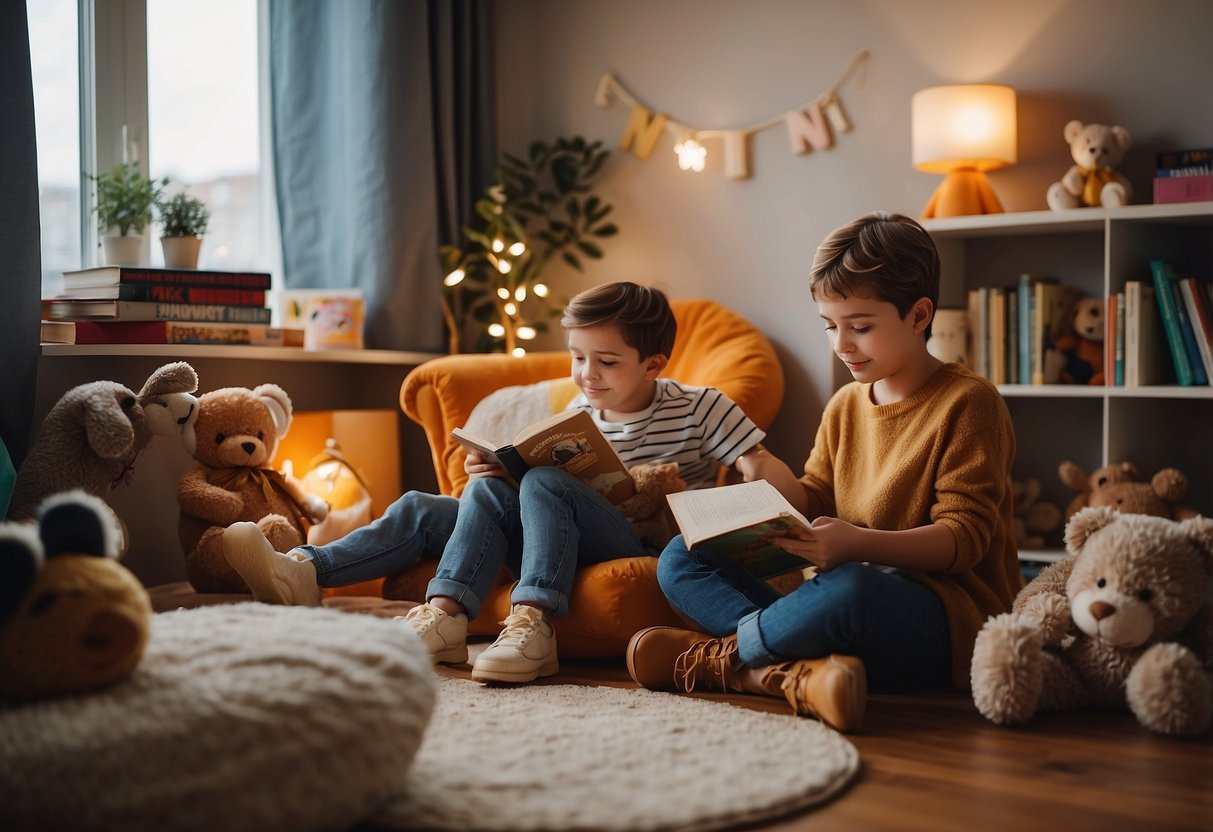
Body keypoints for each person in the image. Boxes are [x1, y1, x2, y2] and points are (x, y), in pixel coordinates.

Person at [223, 281, 766, 684]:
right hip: (545, 530)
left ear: (653, 364)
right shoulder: (580, 410)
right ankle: (318, 576)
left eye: (606, 361)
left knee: (547, 482)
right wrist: (500, 468)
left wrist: (767, 503)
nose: (587, 374)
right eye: (579, 358)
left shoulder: (698, 407)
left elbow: (762, 470)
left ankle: (533, 622)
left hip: (628, 537)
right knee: (430, 505)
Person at [625, 211, 1022, 733]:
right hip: (839, 600)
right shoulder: (844, 405)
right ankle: (783, 671)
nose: (842, 344)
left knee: (853, 589)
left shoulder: (969, 403)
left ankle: (724, 660)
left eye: (860, 327)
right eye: (831, 326)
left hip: (944, 617)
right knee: (681, 555)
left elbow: (962, 540)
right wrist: (766, 493)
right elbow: (814, 496)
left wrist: (858, 544)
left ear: (919, 314)